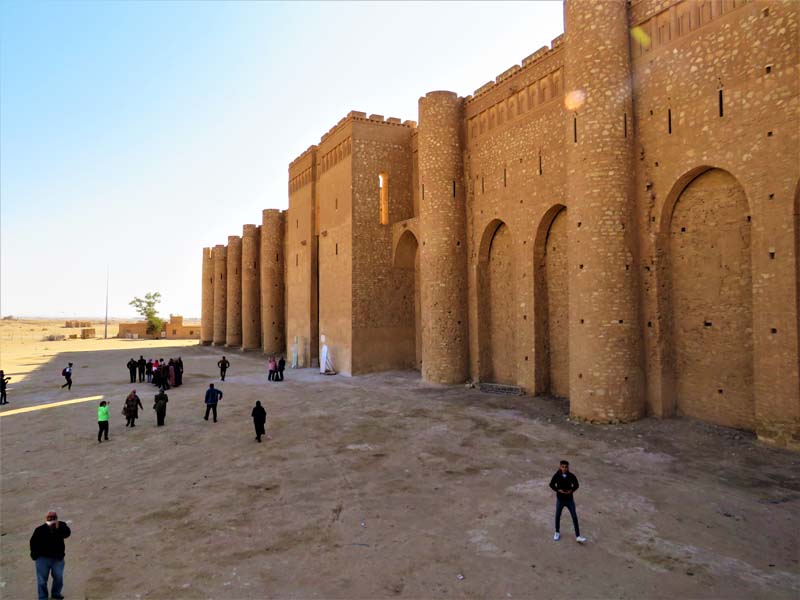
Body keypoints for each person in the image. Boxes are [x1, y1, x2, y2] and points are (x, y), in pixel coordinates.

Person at [30, 511, 71, 600]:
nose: (51, 518)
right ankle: (43, 597)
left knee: (58, 578)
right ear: (46, 518)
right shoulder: (40, 529)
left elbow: (67, 534)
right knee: (42, 580)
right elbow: (33, 543)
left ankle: (56, 594)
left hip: (57, 559)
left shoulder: (61, 526)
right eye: (49, 517)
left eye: (53, 517)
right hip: (42, 559)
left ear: (56, 518)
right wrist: (35, 556)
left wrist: (58, 527)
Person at [549, 460, 586, 543]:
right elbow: (551, 484)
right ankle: (557, 532)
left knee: (574, 517)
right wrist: (558, 490)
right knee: (558, 515)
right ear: (560, 467)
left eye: (566, 467)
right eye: (563, 467)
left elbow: (576, 485)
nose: (564, 468)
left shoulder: (571, 476)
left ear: (568, 467)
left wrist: (571, 491)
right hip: (560, 500)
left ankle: (578, 536)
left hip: (569, 500)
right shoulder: (557, 476)